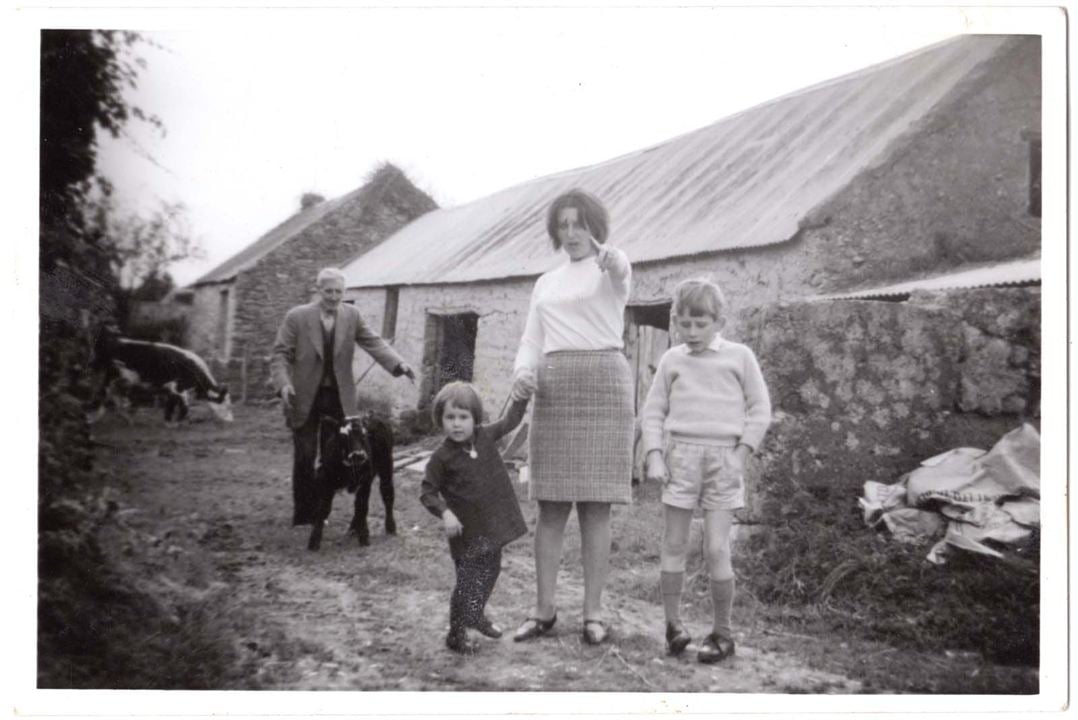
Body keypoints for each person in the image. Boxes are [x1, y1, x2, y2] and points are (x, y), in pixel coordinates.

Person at [510, 189, 634, 646]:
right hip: (556, 384)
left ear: (595, 226)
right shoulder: (546, 282)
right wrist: (524, 371)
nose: (571, 233)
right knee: (552, 506)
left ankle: (593, 615)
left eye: (579, 223)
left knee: (597, 507)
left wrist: (612, 256)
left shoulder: (612, 270)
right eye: (563, 225)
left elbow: (620, 271)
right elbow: (530, 338)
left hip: (604, 382)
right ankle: (543, 611)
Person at [640, 278, 771, 663]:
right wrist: (655, 454)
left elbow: (760, 409)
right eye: (685, 324)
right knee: (675, 543)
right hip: (680, 457)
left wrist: (742, 451)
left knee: (716, 547)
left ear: (719, 321)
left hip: (724, 459)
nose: (693, 332)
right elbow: (653, 411)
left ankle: (723, 633)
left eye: (702, 324)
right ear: (675, 322)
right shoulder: (672, 360)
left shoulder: (740, 357)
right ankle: (673, 627)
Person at [271, 267, 415, 527]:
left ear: (344, 292)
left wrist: (399, 365)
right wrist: (283, 384)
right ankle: (304, 514)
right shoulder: (297, 317)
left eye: (339, 291)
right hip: (303, 396)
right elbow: (280, 354)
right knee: (305, 454)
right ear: (318, 290)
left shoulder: (352, 316)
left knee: (333, 455)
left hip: (339, 398)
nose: (334, 297)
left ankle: (322, 512)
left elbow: (373, 342)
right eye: (328, 291)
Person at [420, 381, 532, 654]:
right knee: (467, 581)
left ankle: (476, 614)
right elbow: (427, 492)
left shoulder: (484, 436)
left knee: (490, 572)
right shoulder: (441, 457)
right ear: (440, 419)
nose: (457, 424)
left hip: (491, 527)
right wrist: (445, 513)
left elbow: (511, 421)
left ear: (474, 418)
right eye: (450, 417)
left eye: (463, 417)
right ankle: (456, 634)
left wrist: (521, 396)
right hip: (465, 533)